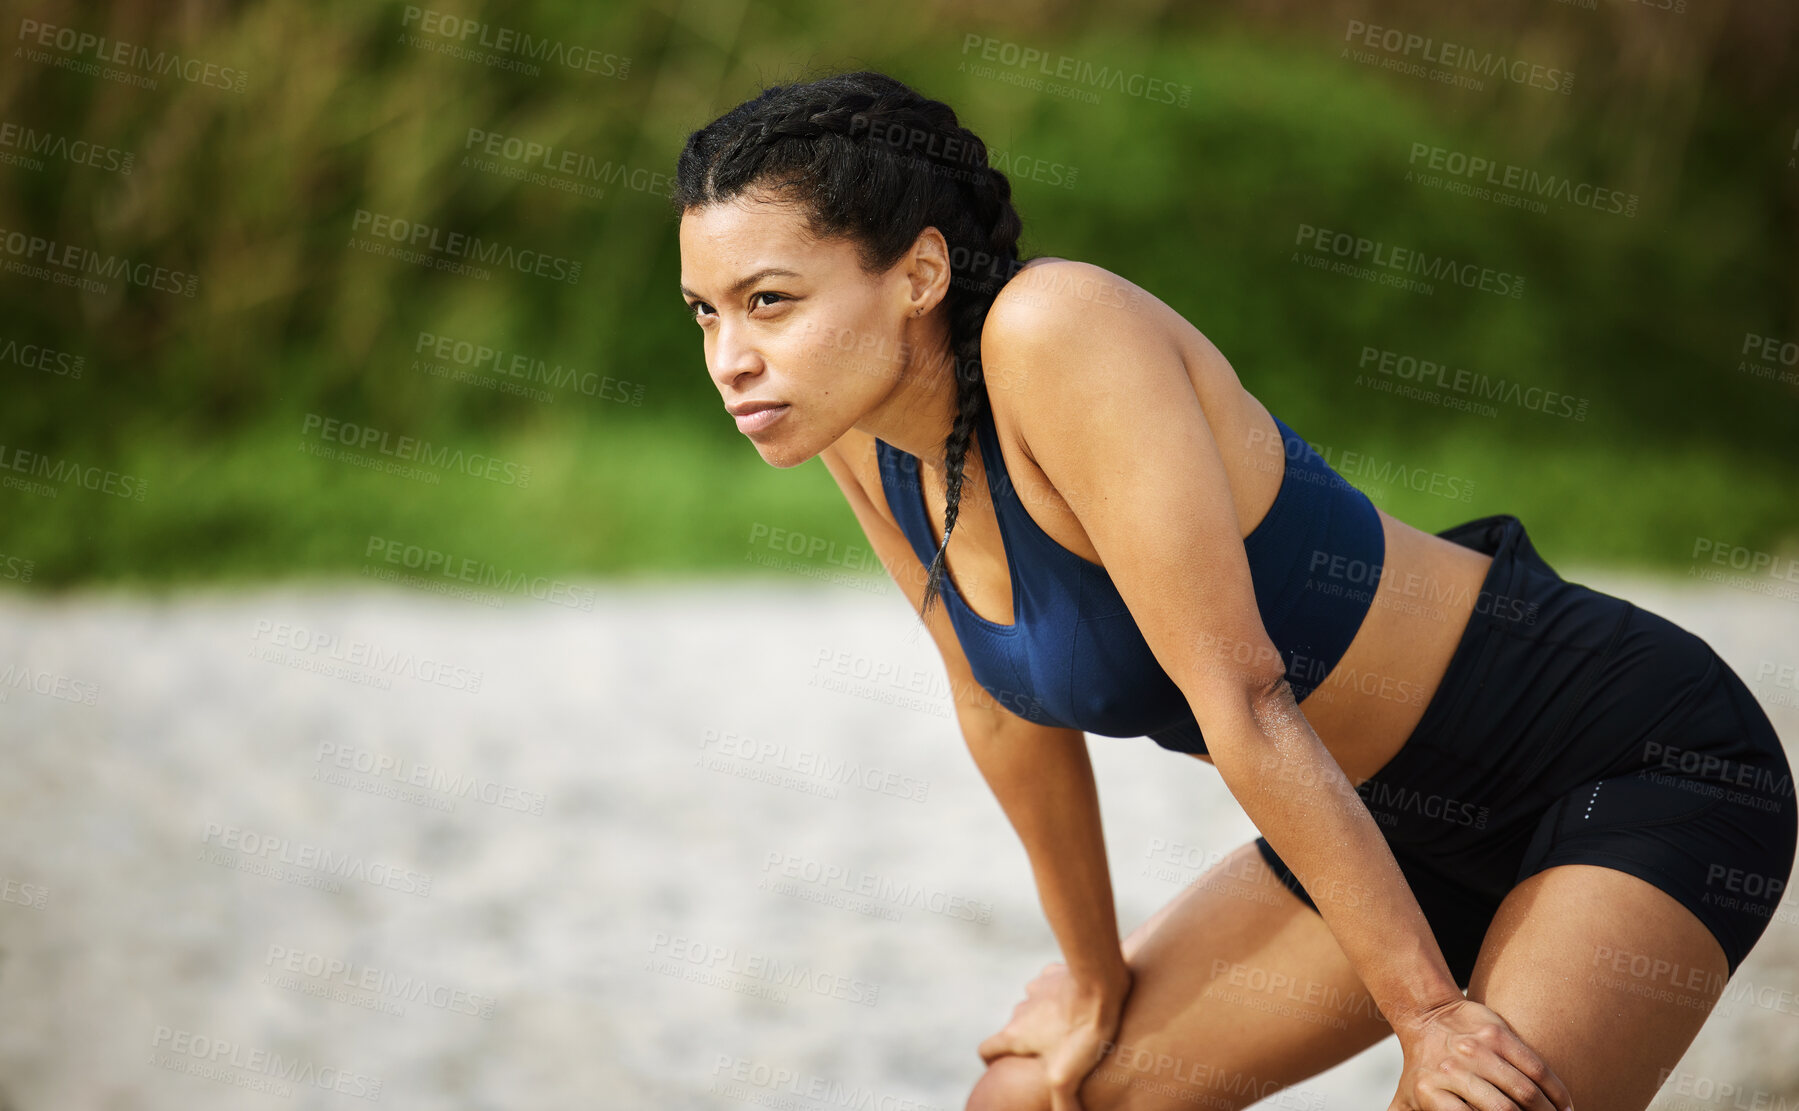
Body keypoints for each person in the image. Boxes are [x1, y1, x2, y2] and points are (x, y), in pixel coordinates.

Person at [670, 69, 1797, 1111]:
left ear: (917, 274)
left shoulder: (1053, 331)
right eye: (705, 312)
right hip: (1375, 823)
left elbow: (1248, 696)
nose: (729, 356)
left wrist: (1429, 1014)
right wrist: (1090, 975)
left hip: (1621, 762)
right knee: (1028, 1097)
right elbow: (993, 709)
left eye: (768, 300)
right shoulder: (861, 435)